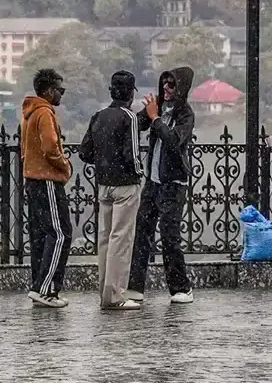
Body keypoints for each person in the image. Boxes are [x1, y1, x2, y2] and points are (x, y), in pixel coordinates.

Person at [79, 70, 147, 311]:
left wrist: (104, 160)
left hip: (103, 184)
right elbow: (133, 156)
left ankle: (104, 293)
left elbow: (84, 152)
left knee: (105, 239)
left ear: (111, 91)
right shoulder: (128, 118)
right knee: (121, 240)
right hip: (125, 185)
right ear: (130, 94)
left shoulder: (99, 116)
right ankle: (116, 295)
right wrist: (140, 172)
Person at [127, 66, 196, 305]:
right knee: (142, 233)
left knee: (169, 236)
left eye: (172, 84)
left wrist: (156, 118)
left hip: (173, 184)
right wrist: (146, 113)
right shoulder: (157, 107)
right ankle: (135, 287)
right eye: (164, 83)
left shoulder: (185, 114)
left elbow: (173, 140)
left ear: (182, 88)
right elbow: (137, 125)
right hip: (153, 182)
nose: (166, 88)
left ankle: (181, 287)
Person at [22, 68, 74, 308]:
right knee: (60, 233)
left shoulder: (30, 112)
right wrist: (64, 166)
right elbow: (51, 146)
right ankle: (45, 288)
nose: (62, 95)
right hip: (47, 179)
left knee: (41, 236)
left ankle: (41, 287)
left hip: (32, 179)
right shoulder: (44, 112)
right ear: (49, 90)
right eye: (60, 90)